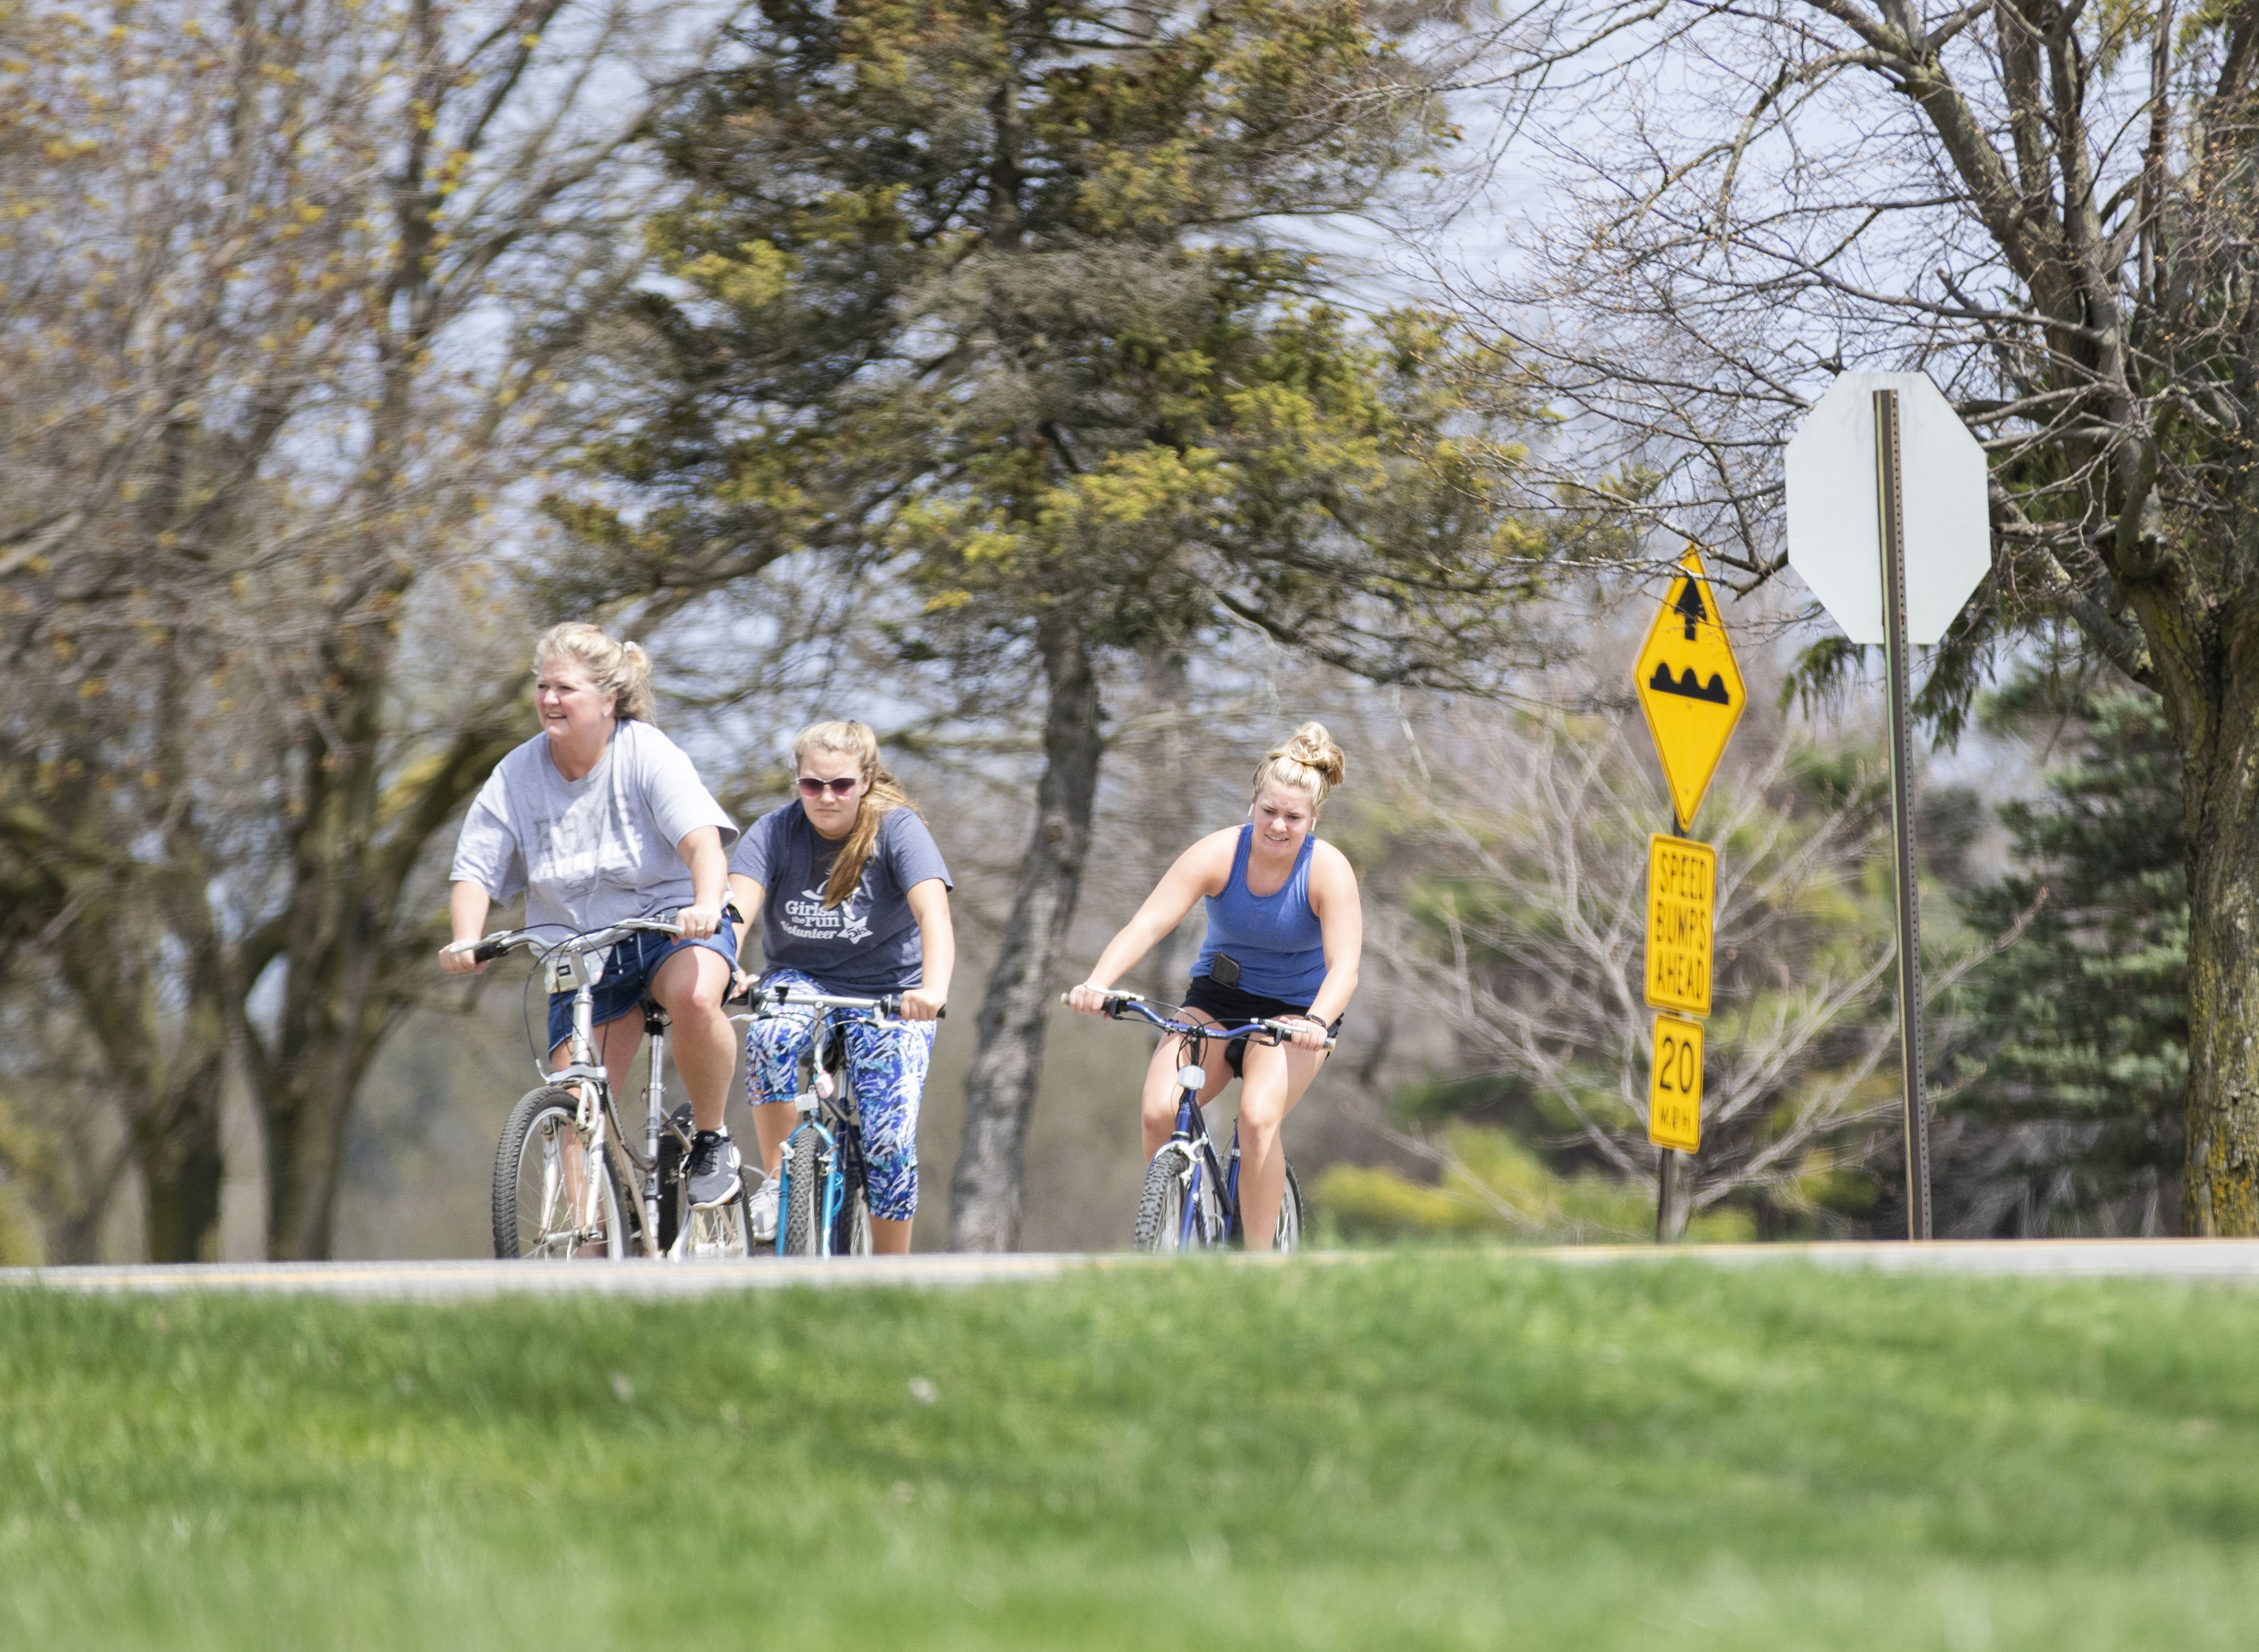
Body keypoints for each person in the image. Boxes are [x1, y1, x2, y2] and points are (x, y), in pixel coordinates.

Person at [440, 623, 747, 1215]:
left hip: (669, 927)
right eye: (543, 686)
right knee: (573, 1100)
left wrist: (707, 904)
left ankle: (711, 1140)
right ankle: (588, 1247)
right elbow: (475, 867)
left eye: (566, 688)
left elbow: (702, 844)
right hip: (580, 952)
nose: (550, 699)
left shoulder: (646, 752)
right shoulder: (516, 775)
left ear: (608, 699)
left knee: (696, 995)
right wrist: (464, 939)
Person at [1066, 723, 1362, 1248]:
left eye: (1293, 817)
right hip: (1216, 1001)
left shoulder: (1327, 871)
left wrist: (1315, 1022)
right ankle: (1178, 1230)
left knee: (1256, 1120)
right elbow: (1148, 924)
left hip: (1295, 1015)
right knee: (1160, 1112)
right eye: (1269, 811)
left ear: (1312, 819)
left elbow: (1345, 968)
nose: (1278, 826)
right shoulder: (1218, 853)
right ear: (1252, 805)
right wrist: (1098, 982)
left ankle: (1260, 1269)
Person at [727, 720, 954, 1253]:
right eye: (812, 785)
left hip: (890, 992)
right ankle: (780, 1182)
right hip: (801, 981)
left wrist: (934, 989)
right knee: (770, 1036)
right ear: (798, 783)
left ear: (867, 781)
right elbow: (734, 913)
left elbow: (935, 916)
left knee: (888, 1138)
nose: (826, 797)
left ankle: (889, 1272)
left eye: (841, 785)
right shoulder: (775, 833)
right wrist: (726, 966)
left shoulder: (898, 831)